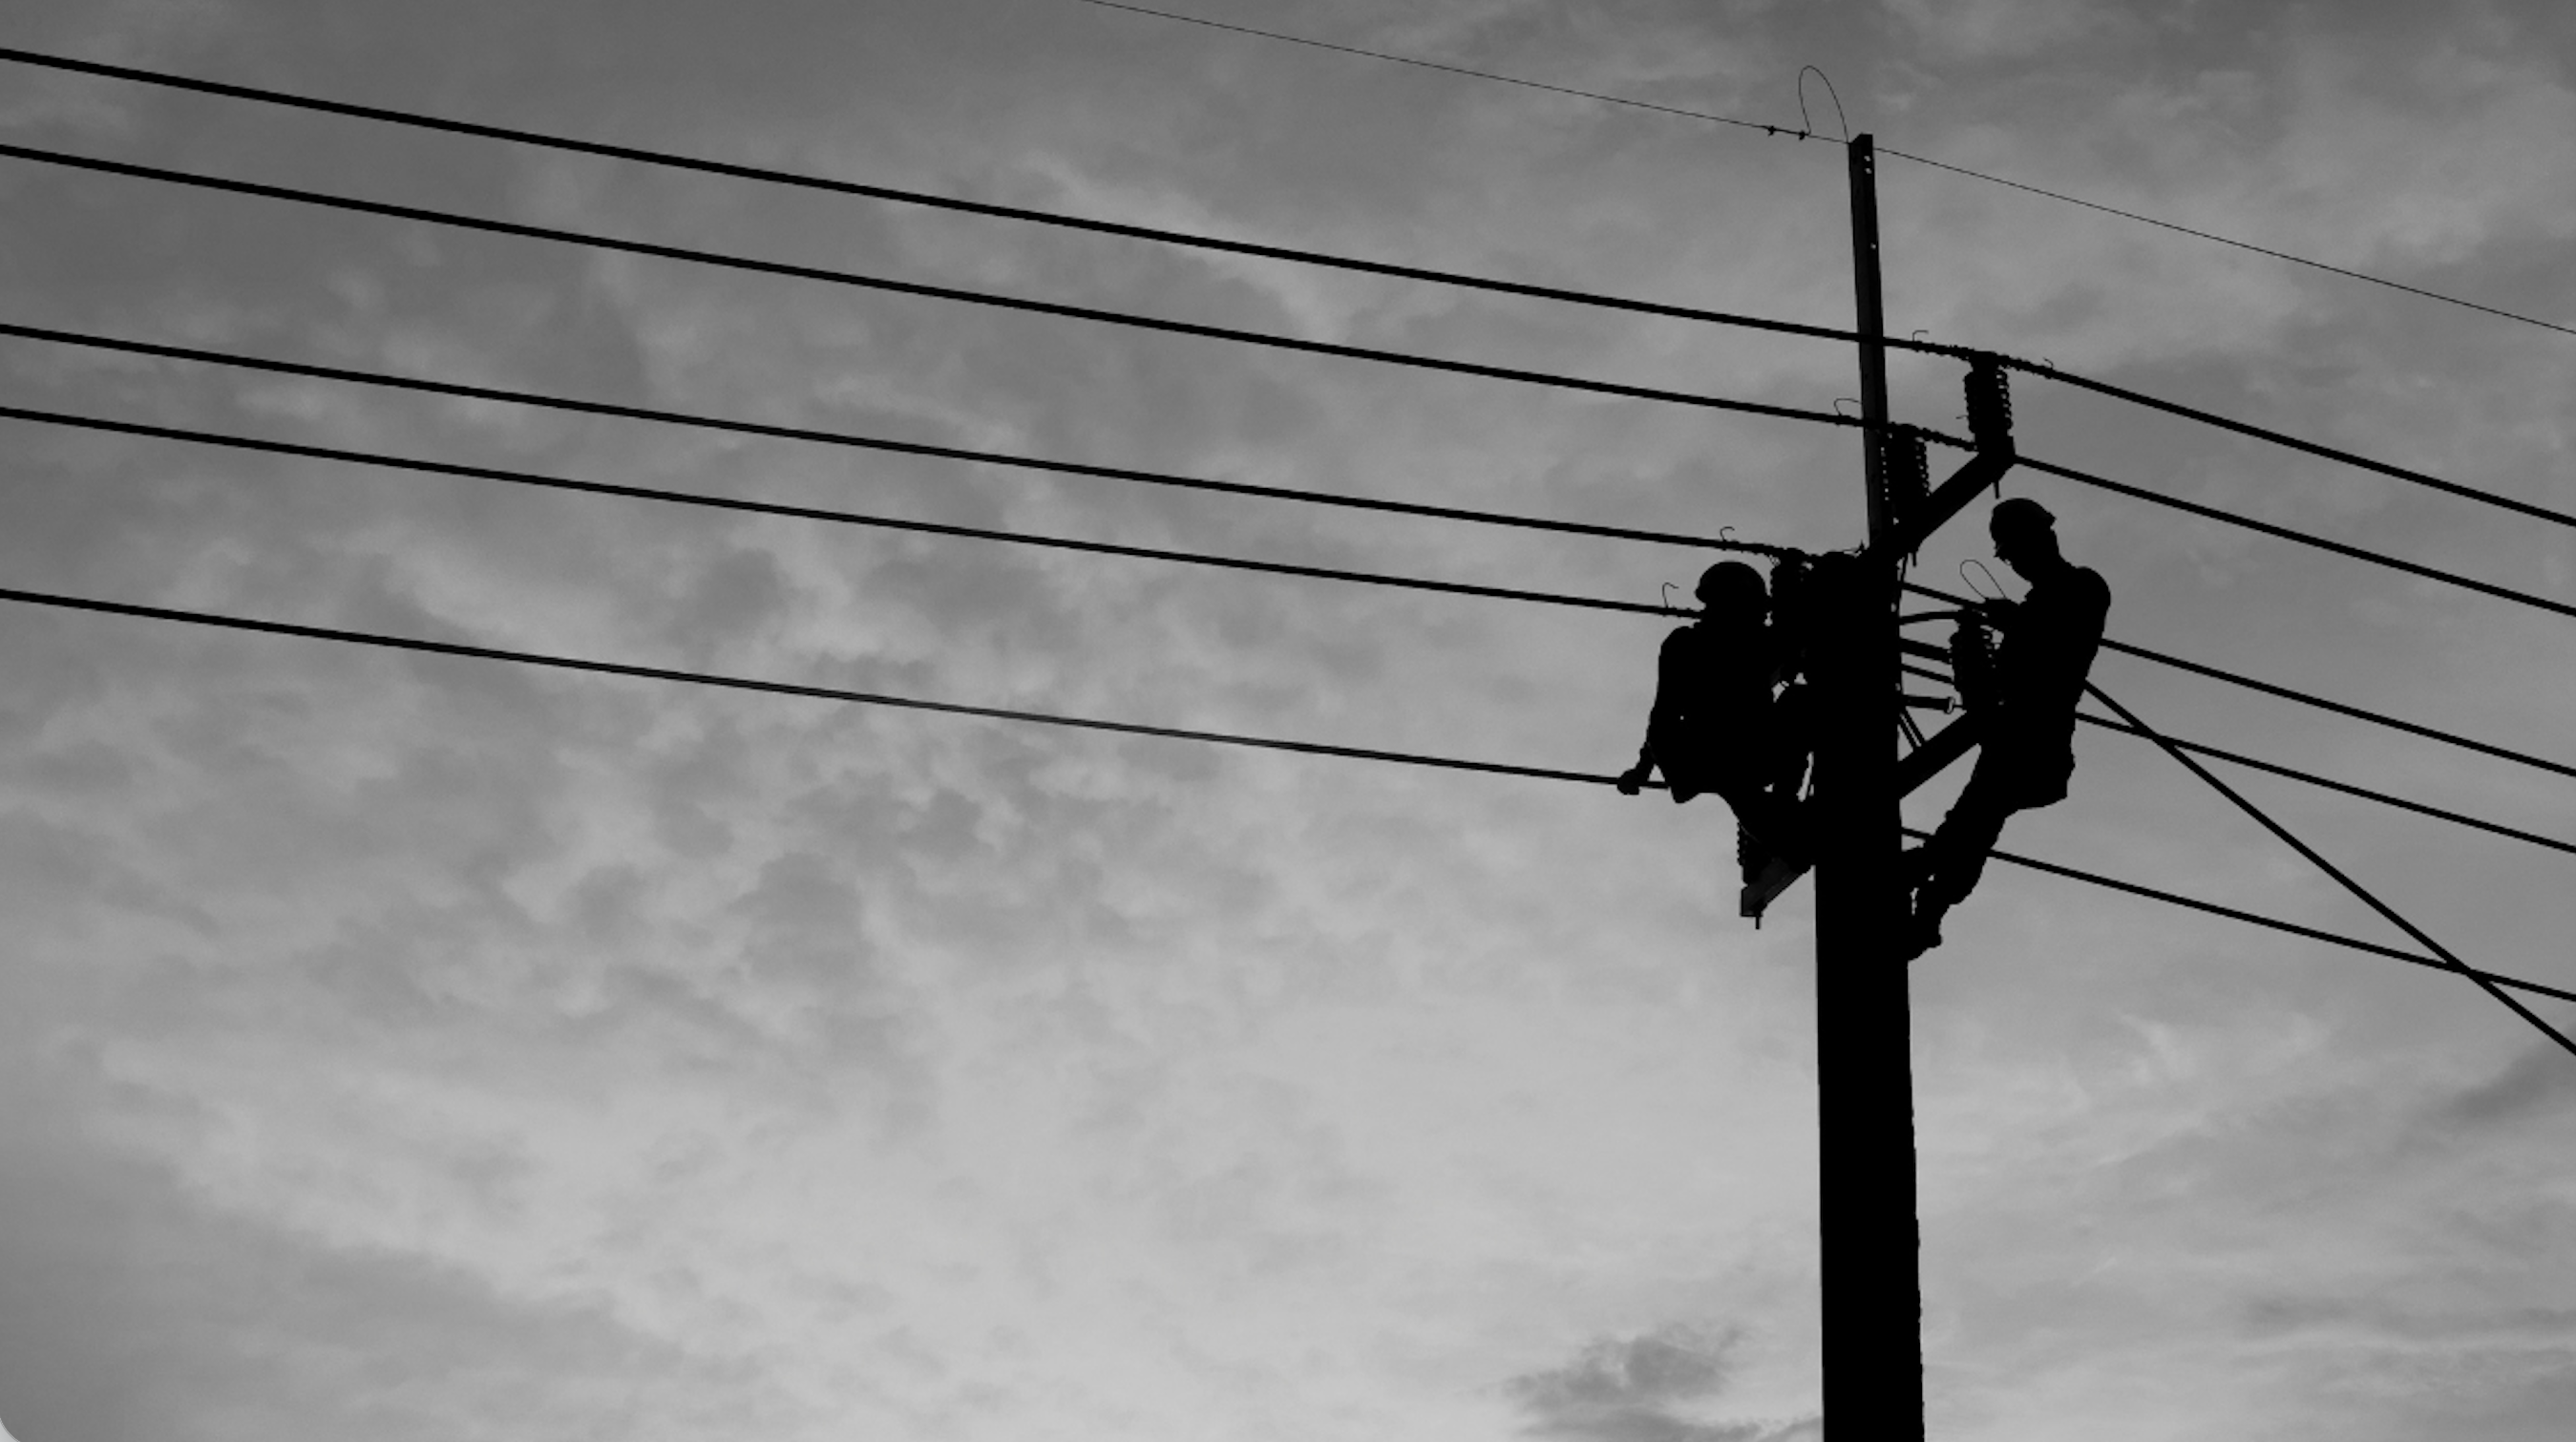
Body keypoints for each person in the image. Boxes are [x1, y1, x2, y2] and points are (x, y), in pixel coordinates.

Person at [1901, 498, 2110, 960]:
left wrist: (2014, 622)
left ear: (2044, 540)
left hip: (2037, 739)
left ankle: (1922, 879)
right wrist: (1970, 655)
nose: (2014, 563)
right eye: (2009, 557)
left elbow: (2063, 642)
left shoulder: (2083, 585)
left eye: (2015, 552)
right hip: (2015, 736)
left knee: (1974, 817)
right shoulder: (2034, 608)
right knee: (1977, 822)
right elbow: (1994, 691)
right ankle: (1930, 905)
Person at [1615, 560, 1811, 864]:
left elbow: (1663, 716)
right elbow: (1663, 718)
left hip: (1729, 759)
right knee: (1800, 702)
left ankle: (1779, 814)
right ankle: (1781, 810)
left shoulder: (1691, 644)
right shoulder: (1742, 644)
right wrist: (1788, 582)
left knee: (1777, 829)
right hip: (1729, 759)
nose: (1762, 616)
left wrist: (1643, 769)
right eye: (1758, 609)